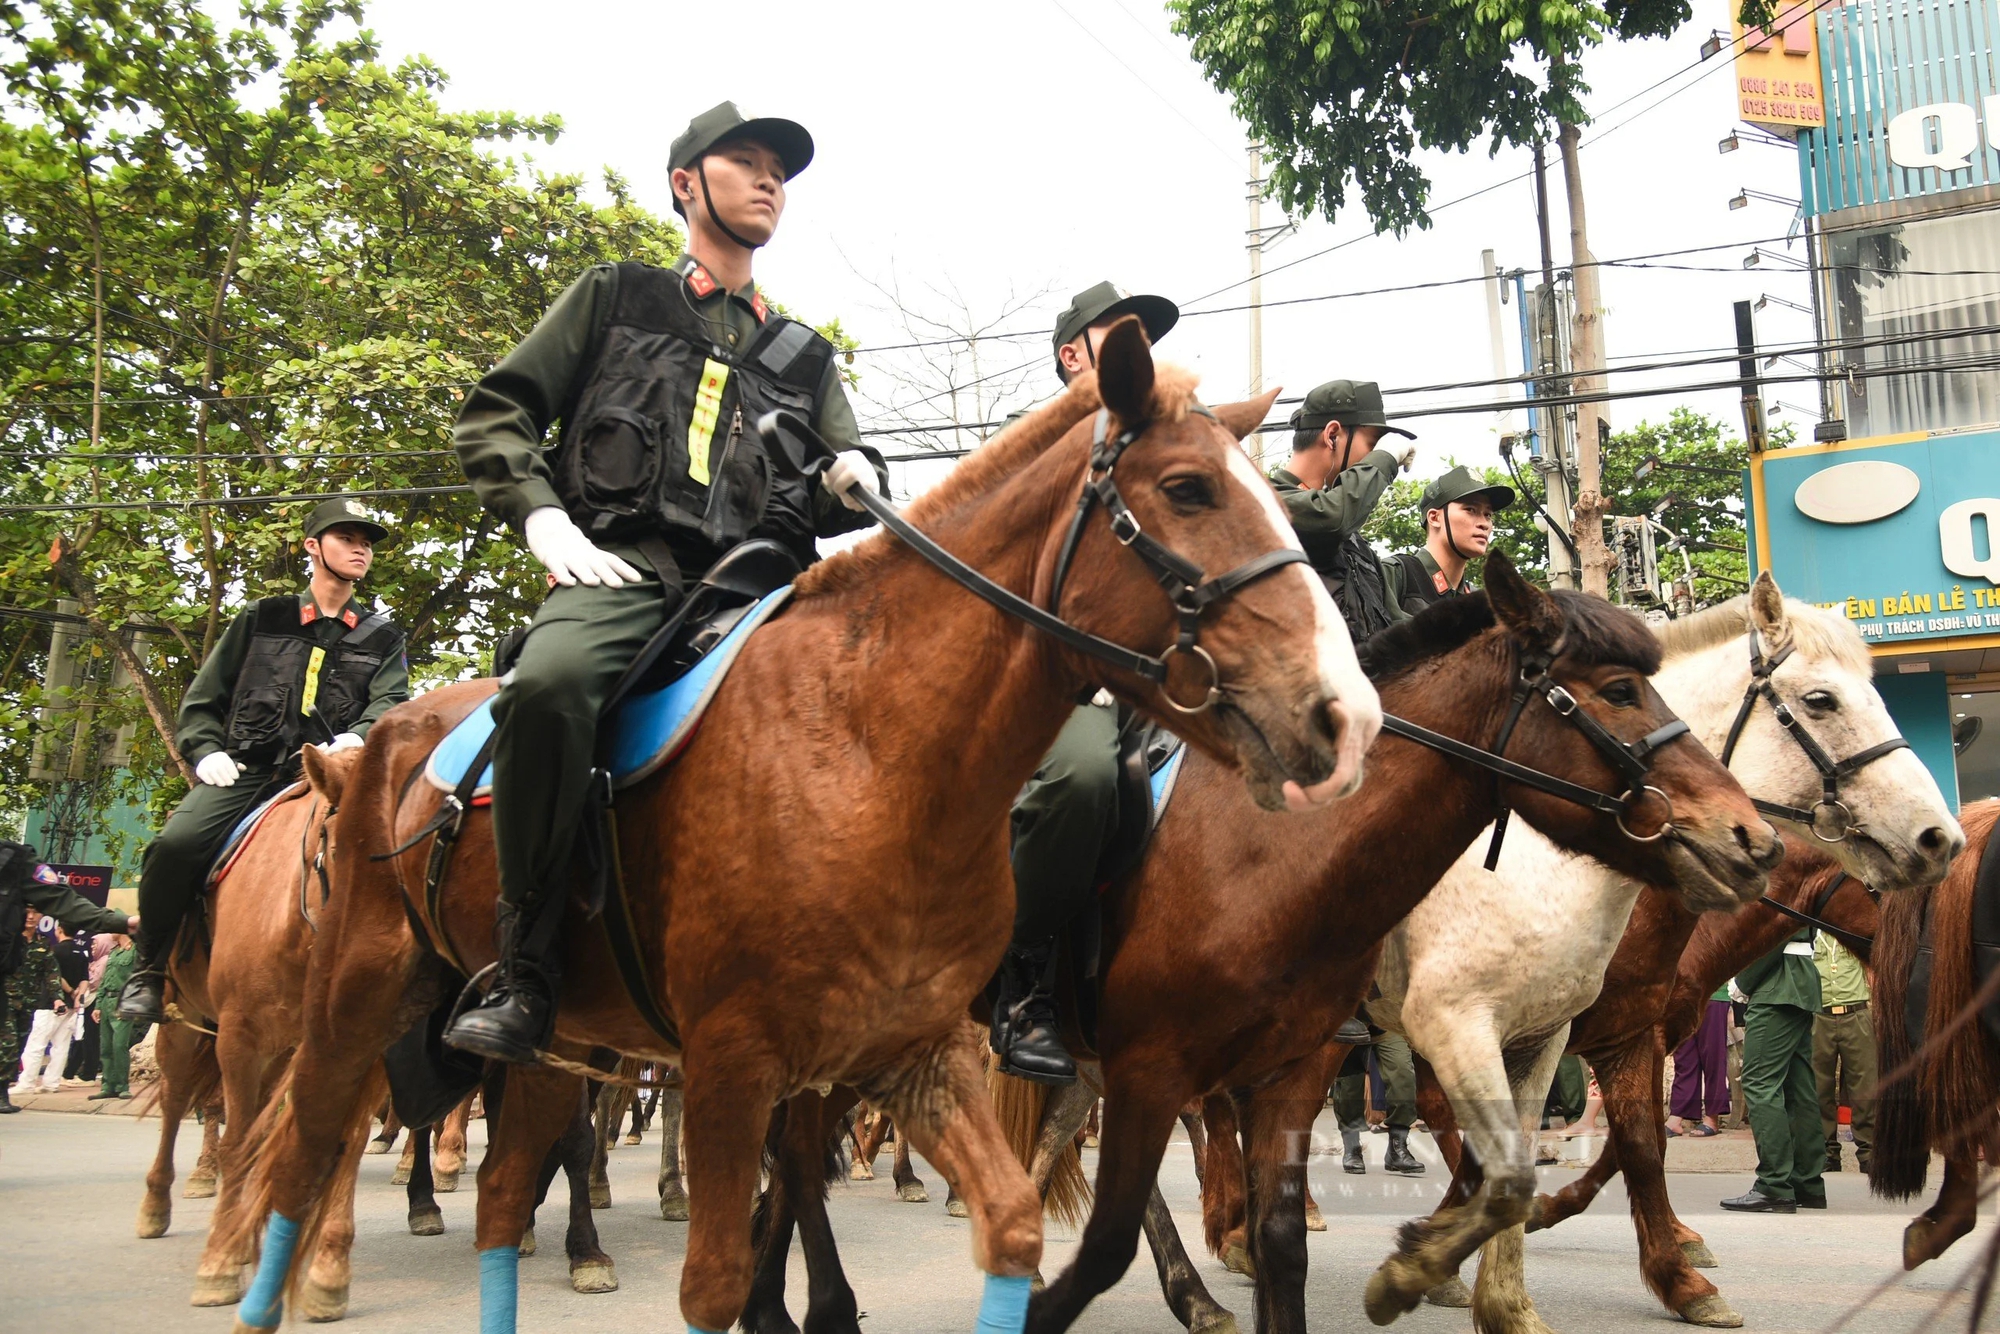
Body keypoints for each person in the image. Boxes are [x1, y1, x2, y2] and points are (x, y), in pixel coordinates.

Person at [444, 102, 888, 1063]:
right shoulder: (615, 296)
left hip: (758, 596)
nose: (770, 179)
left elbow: (844, 478)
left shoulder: (803, 356)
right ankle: (526, 965)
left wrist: (860, 482)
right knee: (553, 687)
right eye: (747, 161)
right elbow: (496, 416)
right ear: (688, 184)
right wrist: (541, 514)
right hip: (622, 573)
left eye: (780, 168)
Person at [118, 499, 409, 1023]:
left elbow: (390, 702)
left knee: (412, 851)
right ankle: (149, 969)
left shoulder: (384, 636)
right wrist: (205, 752)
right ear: (313, 547)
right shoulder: (262, 616)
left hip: (332, 778)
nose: (361, 548)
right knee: (174, 845)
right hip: (247, 772)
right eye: (347, 538)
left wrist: (359, 737)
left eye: (367, 541)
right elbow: (206, 696)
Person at [990, 281, 1178, 1086]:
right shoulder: (1025, 447)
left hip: (1150, 676)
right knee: (1082, 774)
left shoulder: (1158, 449)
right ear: (1073, 355)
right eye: (1120, 334)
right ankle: (1021, 982)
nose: (1144, 349)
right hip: (1047, 682)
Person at [1268, 380, 1418, 644]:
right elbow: (1332, 516)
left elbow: (1395, 623)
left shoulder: (1355, 542)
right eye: (1373, 445)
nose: (1374, 456)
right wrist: (1385, 458)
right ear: (1332, 435)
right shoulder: (1269, 503)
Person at [1723, 925, 1825, 1212]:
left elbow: (1772, 932)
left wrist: (1742, 982)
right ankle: (1806, 1183)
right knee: (1798, 1085)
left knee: (1758, 1082)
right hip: (1798, 981)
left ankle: (1774, 1185)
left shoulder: (1776, 880)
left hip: (1777, 983)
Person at [1383, 465, 1515, 616]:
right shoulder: (1395, 575)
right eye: (1470, 510)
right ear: (1434, 518)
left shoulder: (1480, 603)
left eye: (1488, 514)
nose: (1484, 524)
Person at [1813, 932, 1875, 1174]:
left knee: (1866, 1086)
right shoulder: (1810, 936)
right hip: (1819, 1015)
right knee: (1819, 1087)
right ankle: (1827, 1153)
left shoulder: (1852, 934)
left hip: (1856, 1013)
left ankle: (1869, 1152)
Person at [1336, 1030, 1425, 1174]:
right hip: (1352, 1024)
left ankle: (1397, 1149)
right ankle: (1351, 1148)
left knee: (1402, 1074)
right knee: (1350, 1084)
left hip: (1385, 1024)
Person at [11, 918, 79, 1097]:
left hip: (49, 1002)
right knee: (61, 1045)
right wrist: (75, 995)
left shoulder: (52, 950)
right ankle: (51, 1083)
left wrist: (63, 994)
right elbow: (85, 980)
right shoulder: (80, 953)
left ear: (59, 930)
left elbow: (55, 975)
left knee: (36, 1043)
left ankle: (27, 1082)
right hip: (70, 1005)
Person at [1, 905, 56, 1111]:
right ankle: (1, 1095)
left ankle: (3, 1090)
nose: (31, 917)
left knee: (18, 1048)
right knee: (7, 1046)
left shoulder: (43, 943)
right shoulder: (9, 940)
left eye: (35, 913)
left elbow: (51, 972)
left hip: (27, 1004)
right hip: (5, 1001)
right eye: (27, 912)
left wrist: (57, 999)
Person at [1667, 983, 1731, 1137]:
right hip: (1681, 996)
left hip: (1714, 994)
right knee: (1684, 1057)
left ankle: (1712, 1117)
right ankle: (1676, 1115)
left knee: (1712, 1056)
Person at [93, 934, 138, 1099]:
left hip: (123, 1001)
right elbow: (105, 979)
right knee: (106, 1046)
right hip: (107, 1001)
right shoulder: (113, 952)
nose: (109, 932)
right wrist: (98, 1005)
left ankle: (122, 1086)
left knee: (119, 1045)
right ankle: (108, 1085)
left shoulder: (134, 950)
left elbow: (138, 978)